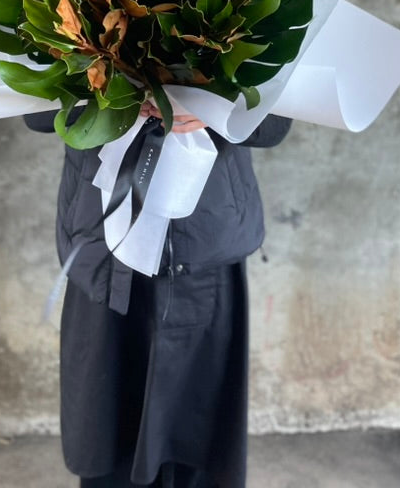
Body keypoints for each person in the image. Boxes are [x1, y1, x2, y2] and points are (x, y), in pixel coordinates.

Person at [24, 102, 292, 488]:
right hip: (103, 244)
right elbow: (35, 112)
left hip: (203, 246)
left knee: (196, 437)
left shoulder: (255, 37)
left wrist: (213, 109)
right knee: (106, 428)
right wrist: (114, 94)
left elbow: (275, 125)